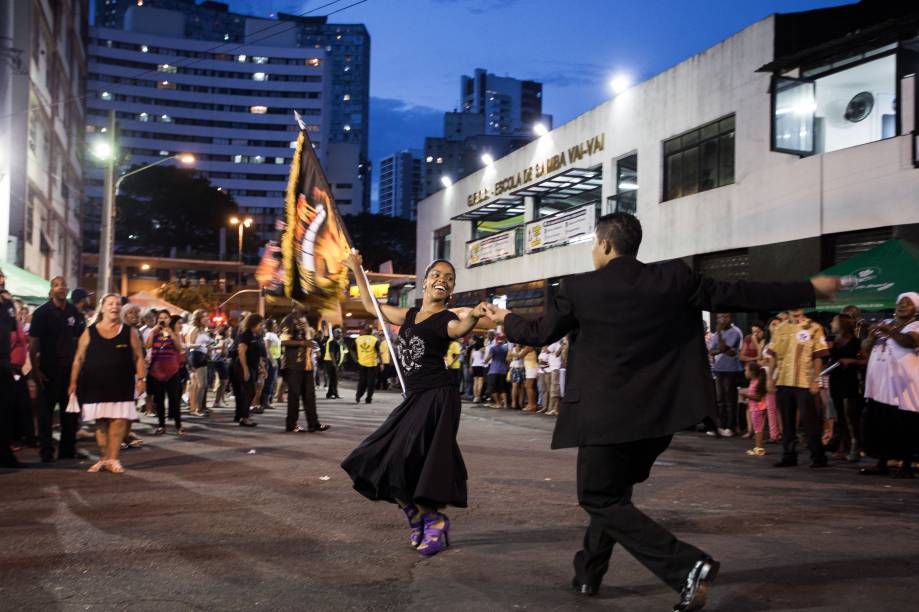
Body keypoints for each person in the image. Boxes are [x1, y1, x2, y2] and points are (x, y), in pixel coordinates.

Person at [485, 212, 839, 610]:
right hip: (660, 417)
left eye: (593, 245)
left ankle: (687, 566)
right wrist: (808, 289)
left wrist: (504, 319)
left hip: (606, 418)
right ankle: (588, 573)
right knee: (614, 495)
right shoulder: (674, 277)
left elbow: (539, 334)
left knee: (599, 498)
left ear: (603, 244)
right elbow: (739, 292)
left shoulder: (578, 288)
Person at [342, 251, 489, 557]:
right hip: (415, 397)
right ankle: (414, 513)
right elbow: (370, 305)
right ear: (424, 282)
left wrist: (473, 316)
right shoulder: (408, 316)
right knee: (385, 456)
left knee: (421, 460)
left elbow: (459, 329)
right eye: (437, 275)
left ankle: (434, 521)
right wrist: (357, 268)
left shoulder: (446, 319)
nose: (442, 281)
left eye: (449, 278)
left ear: (451, 289)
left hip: (438, 395)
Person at [69, 294, 146, 473]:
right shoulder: (89, 331)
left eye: (118, 304)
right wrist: (73, 382)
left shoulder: (129, 332)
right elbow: (78, 359)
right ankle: (104, 459)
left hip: (122, 383)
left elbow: (139, 357)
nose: (114, 307)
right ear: (102, 307)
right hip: (95, 384)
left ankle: (114, 459)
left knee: (118, 421)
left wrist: (142, 379)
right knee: (101, 422)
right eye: (110, 303)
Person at [860, 293, 919, 478]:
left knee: (905, 425)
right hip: (880, 386)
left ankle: (906, 466)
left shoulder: (915, 325)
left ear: (915, 309)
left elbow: (910, 342)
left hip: (903, 386)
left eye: (907, 303)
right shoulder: (887, 323)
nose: (901, 305)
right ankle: (881, 463)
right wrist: (869, 338)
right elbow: (865, 349)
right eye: (900, 302)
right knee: (881, 424)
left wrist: (889, 331)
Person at [768, 308, 831, 468]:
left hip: (805, 381)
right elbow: (773, 355)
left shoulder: (814, 327)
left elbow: (818, 357)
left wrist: (816, 380)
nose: (796, 308)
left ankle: (818, 457)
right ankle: (788, 456)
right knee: (787, 422)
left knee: (810, 421)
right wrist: (770, 378)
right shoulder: (780, 328)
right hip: (783, 380)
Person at [29, 276, 83, 462]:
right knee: (46, 414)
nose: (61, 288)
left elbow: (80, 340)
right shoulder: (41, 313)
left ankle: (67, 450)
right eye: (57, 285)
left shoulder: (73, 312)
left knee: (70, 413)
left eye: (64, 285)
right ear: (51, 289)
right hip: (48, 370)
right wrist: (36, 371)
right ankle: (46, 451)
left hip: (69, 370)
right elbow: (33, 344)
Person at [279, 307, 329, 433]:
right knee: (294, 395)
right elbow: (284, 341)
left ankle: (313, 424)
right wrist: (303, 343)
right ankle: (291, 424)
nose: (308, 305)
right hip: (293, 364)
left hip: (307, 364)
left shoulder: (304, 319)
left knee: (310, 395)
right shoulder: (289, 319)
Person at [828, 313, 865, 461]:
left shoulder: (856, 342)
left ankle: (856, 445)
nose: (831, 324)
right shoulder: (832, 341)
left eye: (834, 321)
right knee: (840, 415)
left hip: (850, 380)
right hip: (835, 379)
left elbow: (865, 360)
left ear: (842, 324)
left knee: (850, 414)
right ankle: (844, 447)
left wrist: (851, 361)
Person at [0, 279, 26, 468]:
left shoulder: (7, 303)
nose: (1, 280)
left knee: (7, 409)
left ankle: (5, 454)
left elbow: (11, 332)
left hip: (4, 362)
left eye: (2, 277)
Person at [146, 311, 186, 435]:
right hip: (157, 371)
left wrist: (171, 334)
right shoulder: (155, 332)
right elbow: (147, 346)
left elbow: (180, 349)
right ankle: (161, 425)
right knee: (159, 400)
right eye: (161, 318)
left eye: (166, 318)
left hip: (172, 371)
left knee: (174, 399)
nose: (163, 320)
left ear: (170, 319)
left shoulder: (175, 333)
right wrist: (153, 331)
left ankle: (178, 425)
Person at [707, 313, 744, 437]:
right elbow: (712, 351)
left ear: (730, 318)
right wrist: (723, 350)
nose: (721, 320)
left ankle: (730, 427)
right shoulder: (716, 334)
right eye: (719, 318)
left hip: (731, 370)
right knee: (720, 400)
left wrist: (721, 346)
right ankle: (721, 426)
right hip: (719, 368)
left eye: (724, 317)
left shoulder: (734, 332)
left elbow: (723, 348)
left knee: (730, 400)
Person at [233, 313, 264, 427]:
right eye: (260, 324)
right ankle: (244, 417)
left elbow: (257, 354)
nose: (262, 327)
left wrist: (262, 367)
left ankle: (243, 416)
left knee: (249, 392)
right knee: (249, 391)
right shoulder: (246, 335)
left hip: (252, 367)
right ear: (253, 324)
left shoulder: (254, 335)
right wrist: (245, 369)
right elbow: (241, 352)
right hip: (242, 366)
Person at [186, 309, 212, 417]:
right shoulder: (195, 329)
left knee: (205, 384)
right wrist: (201, 346)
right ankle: (196, 408)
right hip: (196, 355)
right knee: (201, 384)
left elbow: (208, 345)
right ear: (198, 319)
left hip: (203, 356)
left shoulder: (204, 330)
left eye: (207, 316)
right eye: (204, 317)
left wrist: (212, 346)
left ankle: (200, 407)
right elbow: (189, 344)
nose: (207, 318)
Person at [739, 361, 768, 456]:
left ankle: (760, 449)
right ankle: (758, 447)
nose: (745, 372)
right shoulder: (753, 381)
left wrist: (746, 395)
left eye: (746, 370)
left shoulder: (757, 382)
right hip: (756, 408)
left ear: (752, 372)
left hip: (758, 409)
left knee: (758, 430)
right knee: (757, 429)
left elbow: (758, 397)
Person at [355, 324, 381, 404]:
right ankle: (368, 398)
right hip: (372, 364)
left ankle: (358, 396)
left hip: (361, 363)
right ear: (371, 331)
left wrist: (356, 359)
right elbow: (378, 352)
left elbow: (352, 349)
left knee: (362, 381)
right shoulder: (375, 339)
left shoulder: (358, 339)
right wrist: (381, 362)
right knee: (371, 383)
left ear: (364, 330)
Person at [260, 319, 281, 411]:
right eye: (274, 323)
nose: (276, 325)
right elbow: (267, 348)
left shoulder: (274, 335)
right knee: (269, 380)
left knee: (273, 381)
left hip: (276, 358)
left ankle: (268, 400)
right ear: (270, 325)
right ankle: (265, 402)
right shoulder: (269, 335)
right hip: (271, 359)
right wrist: (272, 361)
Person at [484, 334, 509, 408]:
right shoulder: (505, 349)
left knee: (492, 389)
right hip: (503, 370)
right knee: (502, 388)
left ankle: (498, 403)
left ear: (496, 340)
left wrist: (485, 361)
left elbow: (489, 357)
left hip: (494, 370)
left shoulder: (493, 348)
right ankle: (505, 404)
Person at [322, 327, 347, 399]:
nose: (340, 334)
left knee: (333, 379)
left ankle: (330, 394)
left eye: (340, 332)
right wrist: (334, 364)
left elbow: (343, 350)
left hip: (333, 362)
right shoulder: (332, 341)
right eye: (338, 332)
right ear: (334, 334)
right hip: (330, 361)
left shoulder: (338, 341)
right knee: (334, 379)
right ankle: (334, 394)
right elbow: (331, 353)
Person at [521, 345, 539, 412]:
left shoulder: (529, 347)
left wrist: (512, 353)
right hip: (529, 368)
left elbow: (520, 356)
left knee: (529, 386)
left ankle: (531, 405)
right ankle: (531, 404)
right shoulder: (527, 347)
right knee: (529, 386)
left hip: (532, 367)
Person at [508, 343, 526, 410]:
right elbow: (507, 358)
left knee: (521, 387)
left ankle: (521, 404)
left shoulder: (524, 349)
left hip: (521, 368)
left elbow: (523, 358)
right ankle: (514, 403)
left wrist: (514, 355)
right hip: (514, 368)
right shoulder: (512, 349)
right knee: (514, 386)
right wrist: (512, 357)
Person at [470, 336, 486, 402]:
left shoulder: (473, 349)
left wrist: (470, 367)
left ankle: (475, 397)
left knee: (475, 382)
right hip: (480, 366)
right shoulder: (482, 349)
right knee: (480, 382)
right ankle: (478, 397)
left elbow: (471, 360)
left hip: (474, 366)